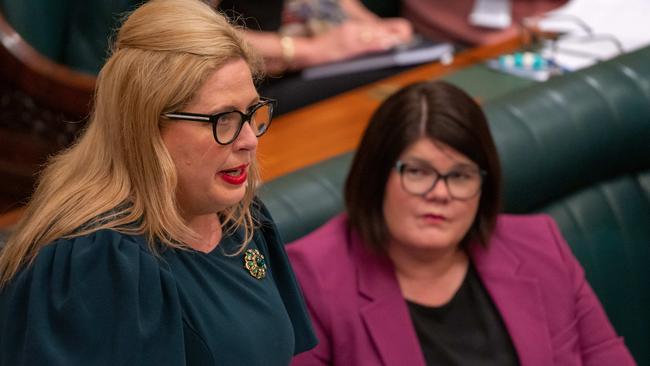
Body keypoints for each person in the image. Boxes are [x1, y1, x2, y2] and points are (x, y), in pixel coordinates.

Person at [0, 0, 316, 364]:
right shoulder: (98, 263)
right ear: (147, 126)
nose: (249, 139)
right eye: (222, 119)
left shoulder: (239, 215)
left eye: (251, 112)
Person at [286, 81, 636, 365]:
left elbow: (606, 356)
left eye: (460, 175)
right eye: (419, 172)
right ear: (376, 176)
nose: (440, 193)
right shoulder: (311, 279)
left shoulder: (540, 245)